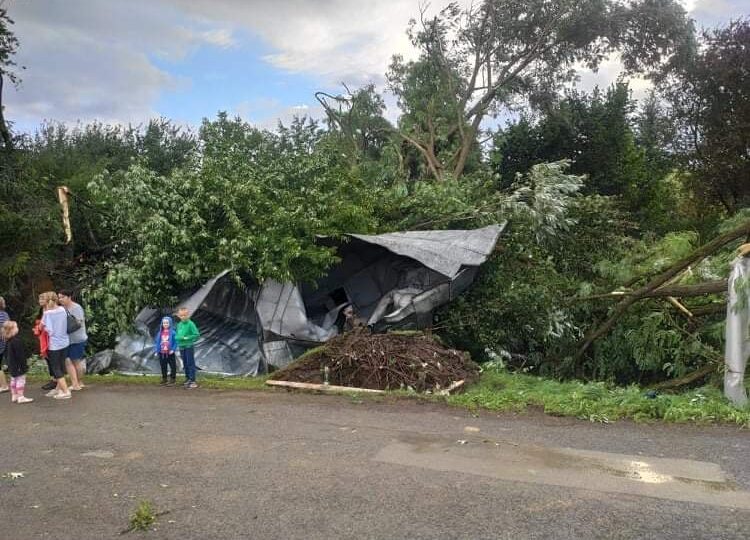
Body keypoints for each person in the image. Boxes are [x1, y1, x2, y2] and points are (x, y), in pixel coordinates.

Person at [40, 292, 71, 399]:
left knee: (56, 368)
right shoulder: (63, 309)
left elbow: (41, 327)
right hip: (65, 341)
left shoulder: (47, 313)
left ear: (47, 300)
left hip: (54, 345)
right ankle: (59, 389)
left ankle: (66, 392)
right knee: (61, 367)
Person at [58, 289, 88, 390]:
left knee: (76, 361)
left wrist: (65, 328)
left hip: (77, 339)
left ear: (69, 297)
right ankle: (75, 383)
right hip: (67, 339)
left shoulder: (76, 307)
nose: (60, 299)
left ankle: (79, 382)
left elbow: (79, 322)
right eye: (59, 297)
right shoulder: (61, 308)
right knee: (68, 361)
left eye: (62, 297)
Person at [3, 320, 33, 404]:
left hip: (11, 365)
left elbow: (6, 354)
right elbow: (20, 355)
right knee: (21, 380)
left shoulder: (8, 341)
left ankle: (14, 395)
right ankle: (21, 397)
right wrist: (24, 365)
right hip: (18, 365)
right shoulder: (16, 341)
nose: (17, 328)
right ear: (12, 330)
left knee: (13, 379)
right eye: (16, 327)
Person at [33, 295, 55, 391]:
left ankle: (55, 380)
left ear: (47, 300)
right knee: (48, 359)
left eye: (42, 299)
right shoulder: (42, 310)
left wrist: (38, 328)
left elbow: (46, 326)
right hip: (42, 338)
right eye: (39, 299)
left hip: (49, 338)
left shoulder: (50, 311)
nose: (40, 301)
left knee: (52, 359)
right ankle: (53, 379)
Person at [176, 307, 200, 389]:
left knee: (190, 363)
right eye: (181, 315)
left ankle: (193, 381)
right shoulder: (179, 325)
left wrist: (188, 338)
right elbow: (177, 335)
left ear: (188, 315)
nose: (183, 317)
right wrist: (178, 338)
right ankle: (187, 379)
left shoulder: (191, 324)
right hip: (181, 347)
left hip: (189, 346)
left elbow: (197, 335)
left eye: (185, 315)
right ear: (179, 316)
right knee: (185, 363)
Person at [154, 316, 177, 386]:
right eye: (164, 323)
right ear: (162, 324)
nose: (165, 324)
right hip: (162, 353)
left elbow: (176, 342)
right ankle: (164, 379)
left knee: (173, 366)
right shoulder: (160, 333)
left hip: (170, 353)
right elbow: (157, 342)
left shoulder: (173, 332)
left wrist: (173, 349)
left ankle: (172, 379)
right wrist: (157, 351)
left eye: (167, 323)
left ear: (170, 323)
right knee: (163, 366)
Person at [0, 296, 9, 393]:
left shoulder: (1, 315)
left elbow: (3, 331)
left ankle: (4, 385)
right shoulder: (5, 314)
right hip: (4, 343)